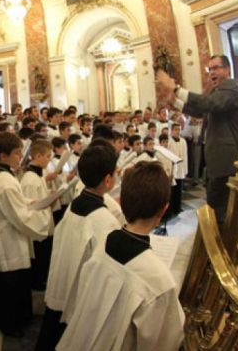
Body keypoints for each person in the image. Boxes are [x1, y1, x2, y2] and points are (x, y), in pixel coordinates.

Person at [57, 162, 184, 351]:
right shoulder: (159, 280)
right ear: (163, 209)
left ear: (121, 202)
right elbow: (164, 342)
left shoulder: (104, 243)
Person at [36, 143, 120, 351]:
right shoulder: (105, 221)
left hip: (62, 281)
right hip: (81, 296)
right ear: (108, 180)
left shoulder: (75, 204)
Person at [157, 55, 238, 222]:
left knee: (221, 207)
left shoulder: (231, 88)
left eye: (216, 68)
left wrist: (176, 89)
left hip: (226, 159)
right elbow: (201, 111)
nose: (211, 72)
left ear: (227, 70)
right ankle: (215, 238)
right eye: (209, 69)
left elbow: (210, 104)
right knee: (214, 202)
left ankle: (222, 242)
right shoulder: (216, 91)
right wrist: (175, 102)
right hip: (216, 157)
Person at [0, 132, 52, 337]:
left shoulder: (6, 175)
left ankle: (18, 321)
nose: (20, 157)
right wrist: (43, 215)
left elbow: (19, 202)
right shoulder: (4, 181)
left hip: (12, 237)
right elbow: (20, 216)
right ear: (3, 156)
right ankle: (11, 325)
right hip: (9, 240)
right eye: (16, 153)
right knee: (12, 287)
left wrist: (31, 203)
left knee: (17, 284)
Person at [21, 139, 59, 291]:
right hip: (37, 229)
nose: (50, 159)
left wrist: (49, 194)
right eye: (48, 156)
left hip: (44, 225)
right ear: (37, 156)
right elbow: (31, 207)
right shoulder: (30, 179)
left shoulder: (38, 176)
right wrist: (47, 201)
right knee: (39, 259)